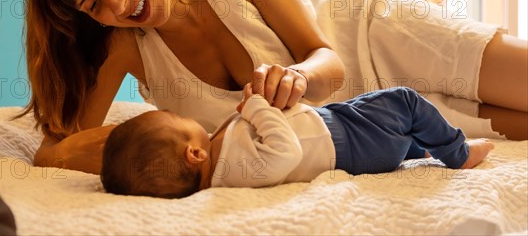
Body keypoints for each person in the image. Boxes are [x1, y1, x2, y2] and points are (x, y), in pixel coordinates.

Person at [21, 0, 527, 174]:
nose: (115, 4)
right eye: (93, 4)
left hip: (375, 37)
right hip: (368, 128)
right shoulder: (123, 46)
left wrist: (299, 78)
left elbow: (326, 59)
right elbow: (59, 149)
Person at [100, 85, 494, 198]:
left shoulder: (222, 162)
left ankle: (424, 146)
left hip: (338, 127)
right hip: (350, 141)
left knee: (398, 127)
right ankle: (457, 153)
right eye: (182, 121)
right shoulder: (235, 167)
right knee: (404, 101)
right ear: (194, 153)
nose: (189, 118)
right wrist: (256, 108)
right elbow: (284, 151)